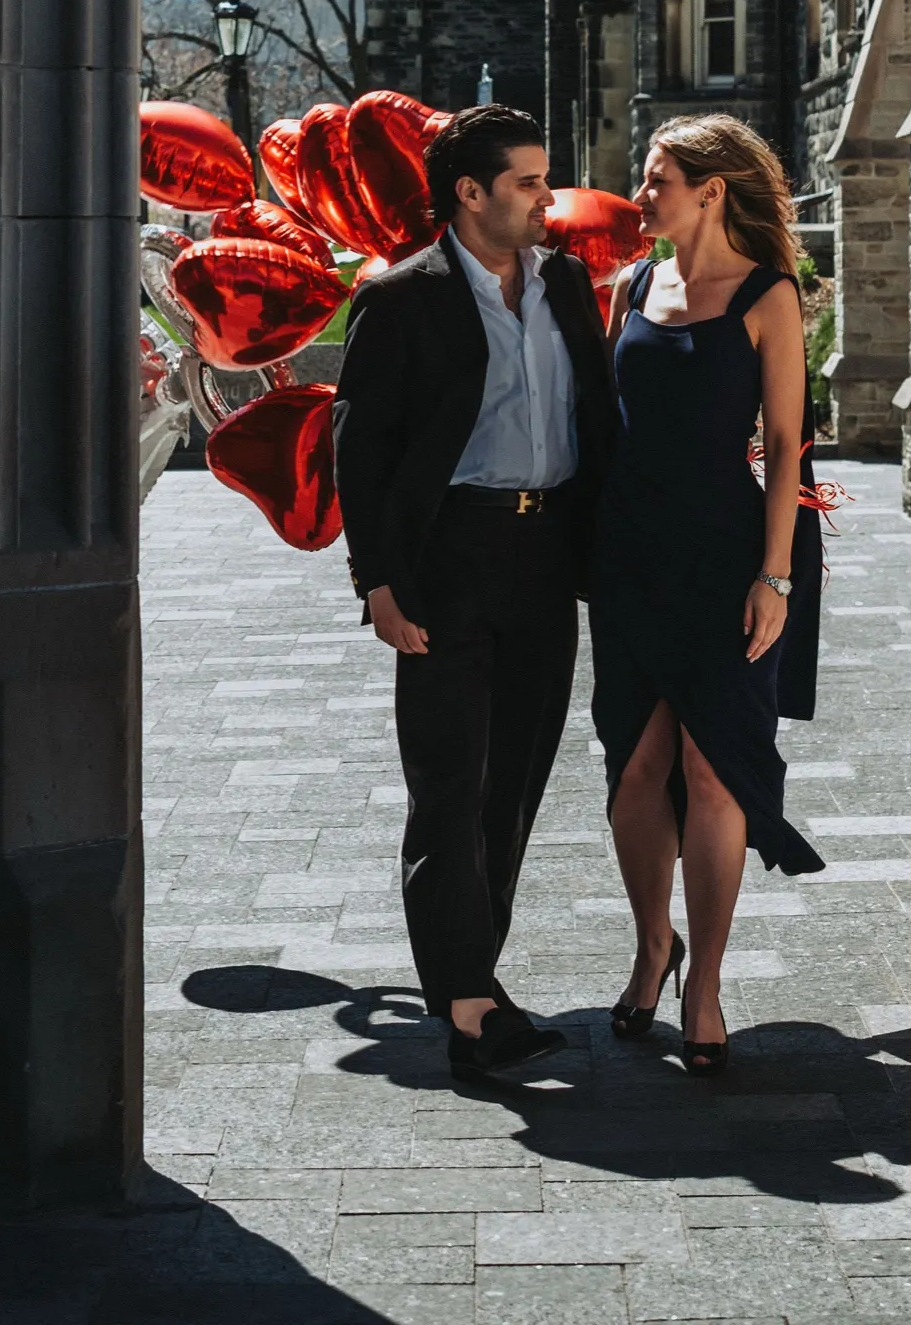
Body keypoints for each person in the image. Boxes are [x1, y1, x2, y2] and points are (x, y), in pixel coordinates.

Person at [332, 105, 617, 1082]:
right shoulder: (402, 298)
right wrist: (375, 578)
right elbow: (359, 449)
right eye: (528, 181)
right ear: (469, 191)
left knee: (516, 785)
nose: (547, 195)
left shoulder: (570, 284)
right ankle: (466, 1002)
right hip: (452, 554)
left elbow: (601, 420)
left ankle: (471, 980)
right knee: (448, 782)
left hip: (548, 556)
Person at [590, 114, 825, 1078]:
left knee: (715, 764)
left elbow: (785, 451)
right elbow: (606, 427)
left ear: (710, 190)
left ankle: (706, 984)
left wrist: (776, 577)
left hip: (728, 556)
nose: (638, 194)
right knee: (637, 765)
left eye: (655, 179)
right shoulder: (631, 286)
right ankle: (655, 948)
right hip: (630, 557)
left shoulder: (770, 298)